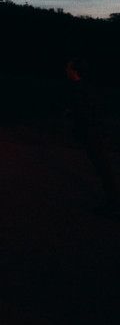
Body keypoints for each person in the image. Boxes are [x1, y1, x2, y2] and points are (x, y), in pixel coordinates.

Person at [65, 57, 118, 211]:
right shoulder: (85, 87)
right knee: (102, 166)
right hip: (94, 133)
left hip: (92, 134)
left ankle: (113, 202)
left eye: (68, 68)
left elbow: (87, 113)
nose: (66, 70)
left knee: (103, 167)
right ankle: (112, 199)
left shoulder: (80, 89)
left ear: (74, 71)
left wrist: (74, 117)